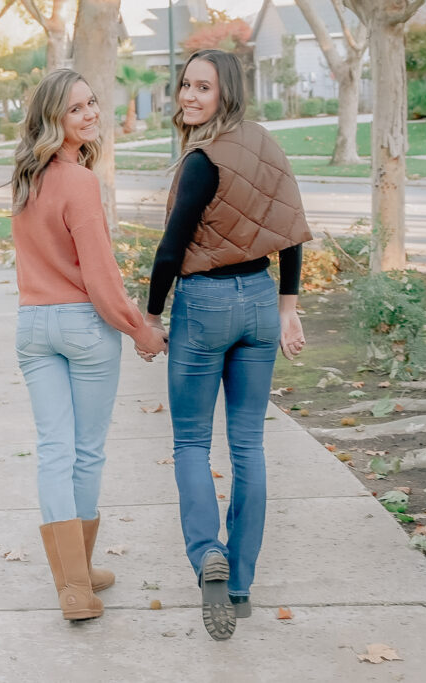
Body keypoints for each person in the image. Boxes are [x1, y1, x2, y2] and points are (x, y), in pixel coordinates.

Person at [144, 49, 312, 640]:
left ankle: (205, 554)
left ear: (226, 94)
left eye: (202, 88)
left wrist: (149, 316)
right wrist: (287, 310)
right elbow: (290, 231)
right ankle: (239, 582)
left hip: (206, 305)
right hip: (260, 305)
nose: (188, 97)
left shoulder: (202, 160)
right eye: (184, 85)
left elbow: (170, 249)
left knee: (191, 440)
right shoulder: (265, 144)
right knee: (249, 446)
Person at [11, 68, 168, 621]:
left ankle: (76, 580)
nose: (91, 114)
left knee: (55, 449)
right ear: (54, 118)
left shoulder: (25, 177)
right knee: (85, 450)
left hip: (32, 325)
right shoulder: (80, 183)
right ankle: (76, 583)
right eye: (76, 108)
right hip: (82, 325)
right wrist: (140, 329)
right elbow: (101, 280)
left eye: (92, 103)